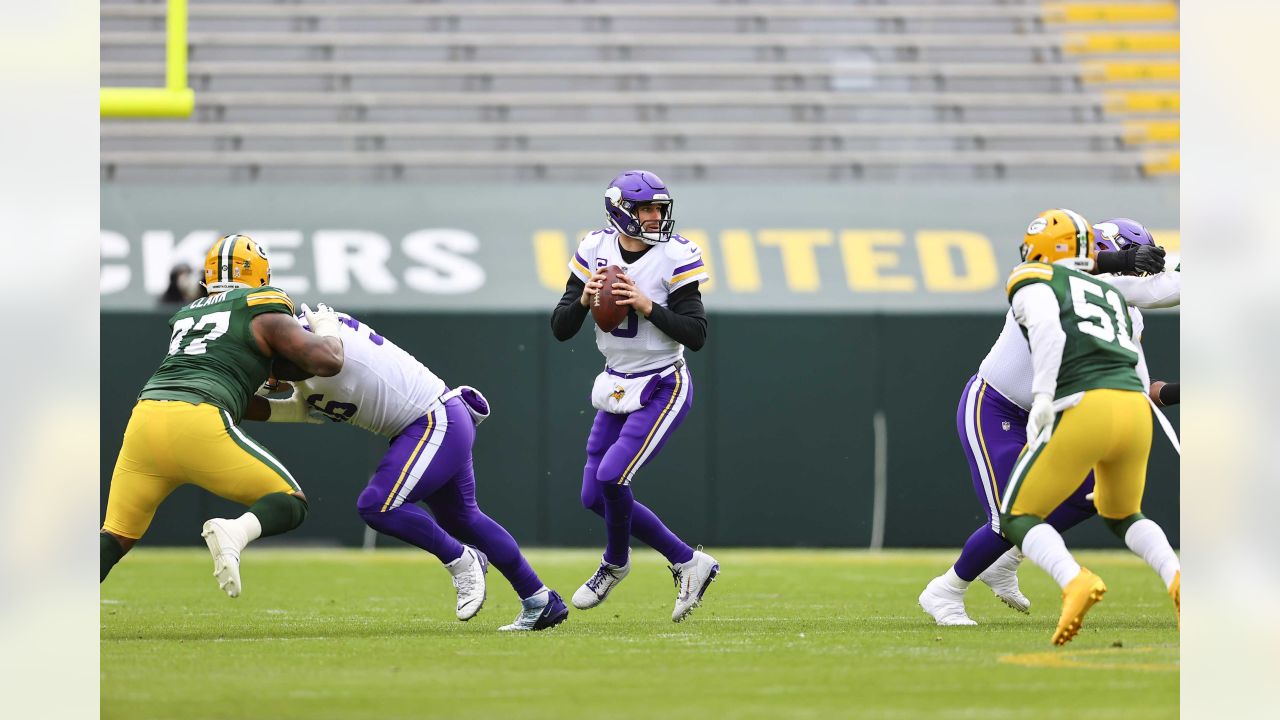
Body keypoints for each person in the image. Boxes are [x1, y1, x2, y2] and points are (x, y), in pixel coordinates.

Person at [920, 217, 1179, 626]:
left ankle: (1004, 560)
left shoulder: (1123, 309)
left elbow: (1134, 384)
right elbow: (1151, 287)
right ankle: (945, 592)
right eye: (1135, 261)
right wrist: (1121, 261)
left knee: (1092, 492)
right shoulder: (1047, 282)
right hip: (998, 406)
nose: (1141, 272)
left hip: (1056, 413)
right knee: (1011, 514)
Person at [254, 311, 568, 632]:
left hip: (433, 421)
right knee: (463, 518)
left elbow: (326, 355)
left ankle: (462, 560)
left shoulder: (320, 339)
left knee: (377, 505)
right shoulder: (309, 350)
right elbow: (295, 405)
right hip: (437, 421)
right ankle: (539, 600)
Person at [100, 234, 344, 597]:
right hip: (197, 419)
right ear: (260, 274)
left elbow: (234, 393)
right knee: (290, 501)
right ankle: (234, 533)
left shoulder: (190, 312)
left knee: (114, 538)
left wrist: (287, 410)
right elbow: (328, 361)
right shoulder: (259, 303)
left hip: (145, 418)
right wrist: (328, 330)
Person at [1000, 208, 1179, 645]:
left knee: (1017, 516)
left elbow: (1048, 330)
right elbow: (1166, 288)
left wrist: (1043, 397)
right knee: (1123, 513)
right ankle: (1178, 578)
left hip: (1085, 404)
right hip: (1134, 413)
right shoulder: (1118, 297)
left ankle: (1074, 580)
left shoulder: (1035, 279)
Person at [549, 170, 719, 623]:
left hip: (663, 381)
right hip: (617, 381)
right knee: (593, 494)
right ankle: (687, 561)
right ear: (621, 211)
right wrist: (582, 301)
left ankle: (615, 563)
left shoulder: (675, 256)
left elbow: (697, 335)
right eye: (646, 208)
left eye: (660, 209)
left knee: (612, 476)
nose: (656, 217)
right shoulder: (594, 247)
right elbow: (560, 327)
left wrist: (647, 305)